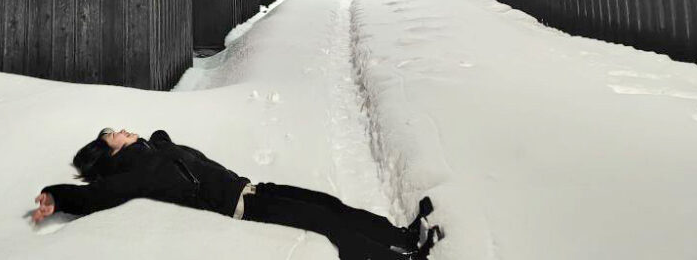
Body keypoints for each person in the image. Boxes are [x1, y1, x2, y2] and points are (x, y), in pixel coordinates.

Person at [31, 128, 444, 260]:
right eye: (113, 133)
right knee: (327, 224)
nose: (122, 128)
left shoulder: (154, 151)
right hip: (245, 209)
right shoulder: (136, 173)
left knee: (329, 205)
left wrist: (154, 139)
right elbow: (97, 196)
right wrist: (57, 195)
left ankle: (403, 237)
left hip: (253, 188)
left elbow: (166, 142)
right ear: (112, 151)